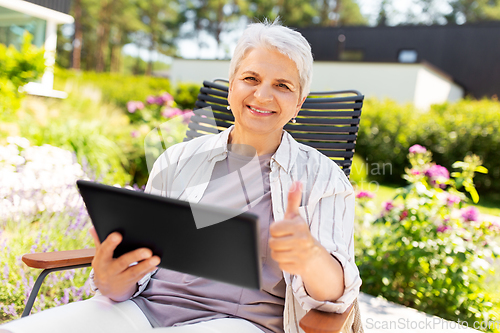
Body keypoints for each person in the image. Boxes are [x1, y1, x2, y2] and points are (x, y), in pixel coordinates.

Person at [0, 20, 361, 333]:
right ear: (232, 85)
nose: (262, 94)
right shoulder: (178, 159)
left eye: (283, 85)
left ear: (299, 103)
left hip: (242, 323)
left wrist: (310, 255)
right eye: (250, 78)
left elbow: (338, 293)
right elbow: (141, 264)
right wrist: (112, 280)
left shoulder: (323, 179)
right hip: (142, 311)